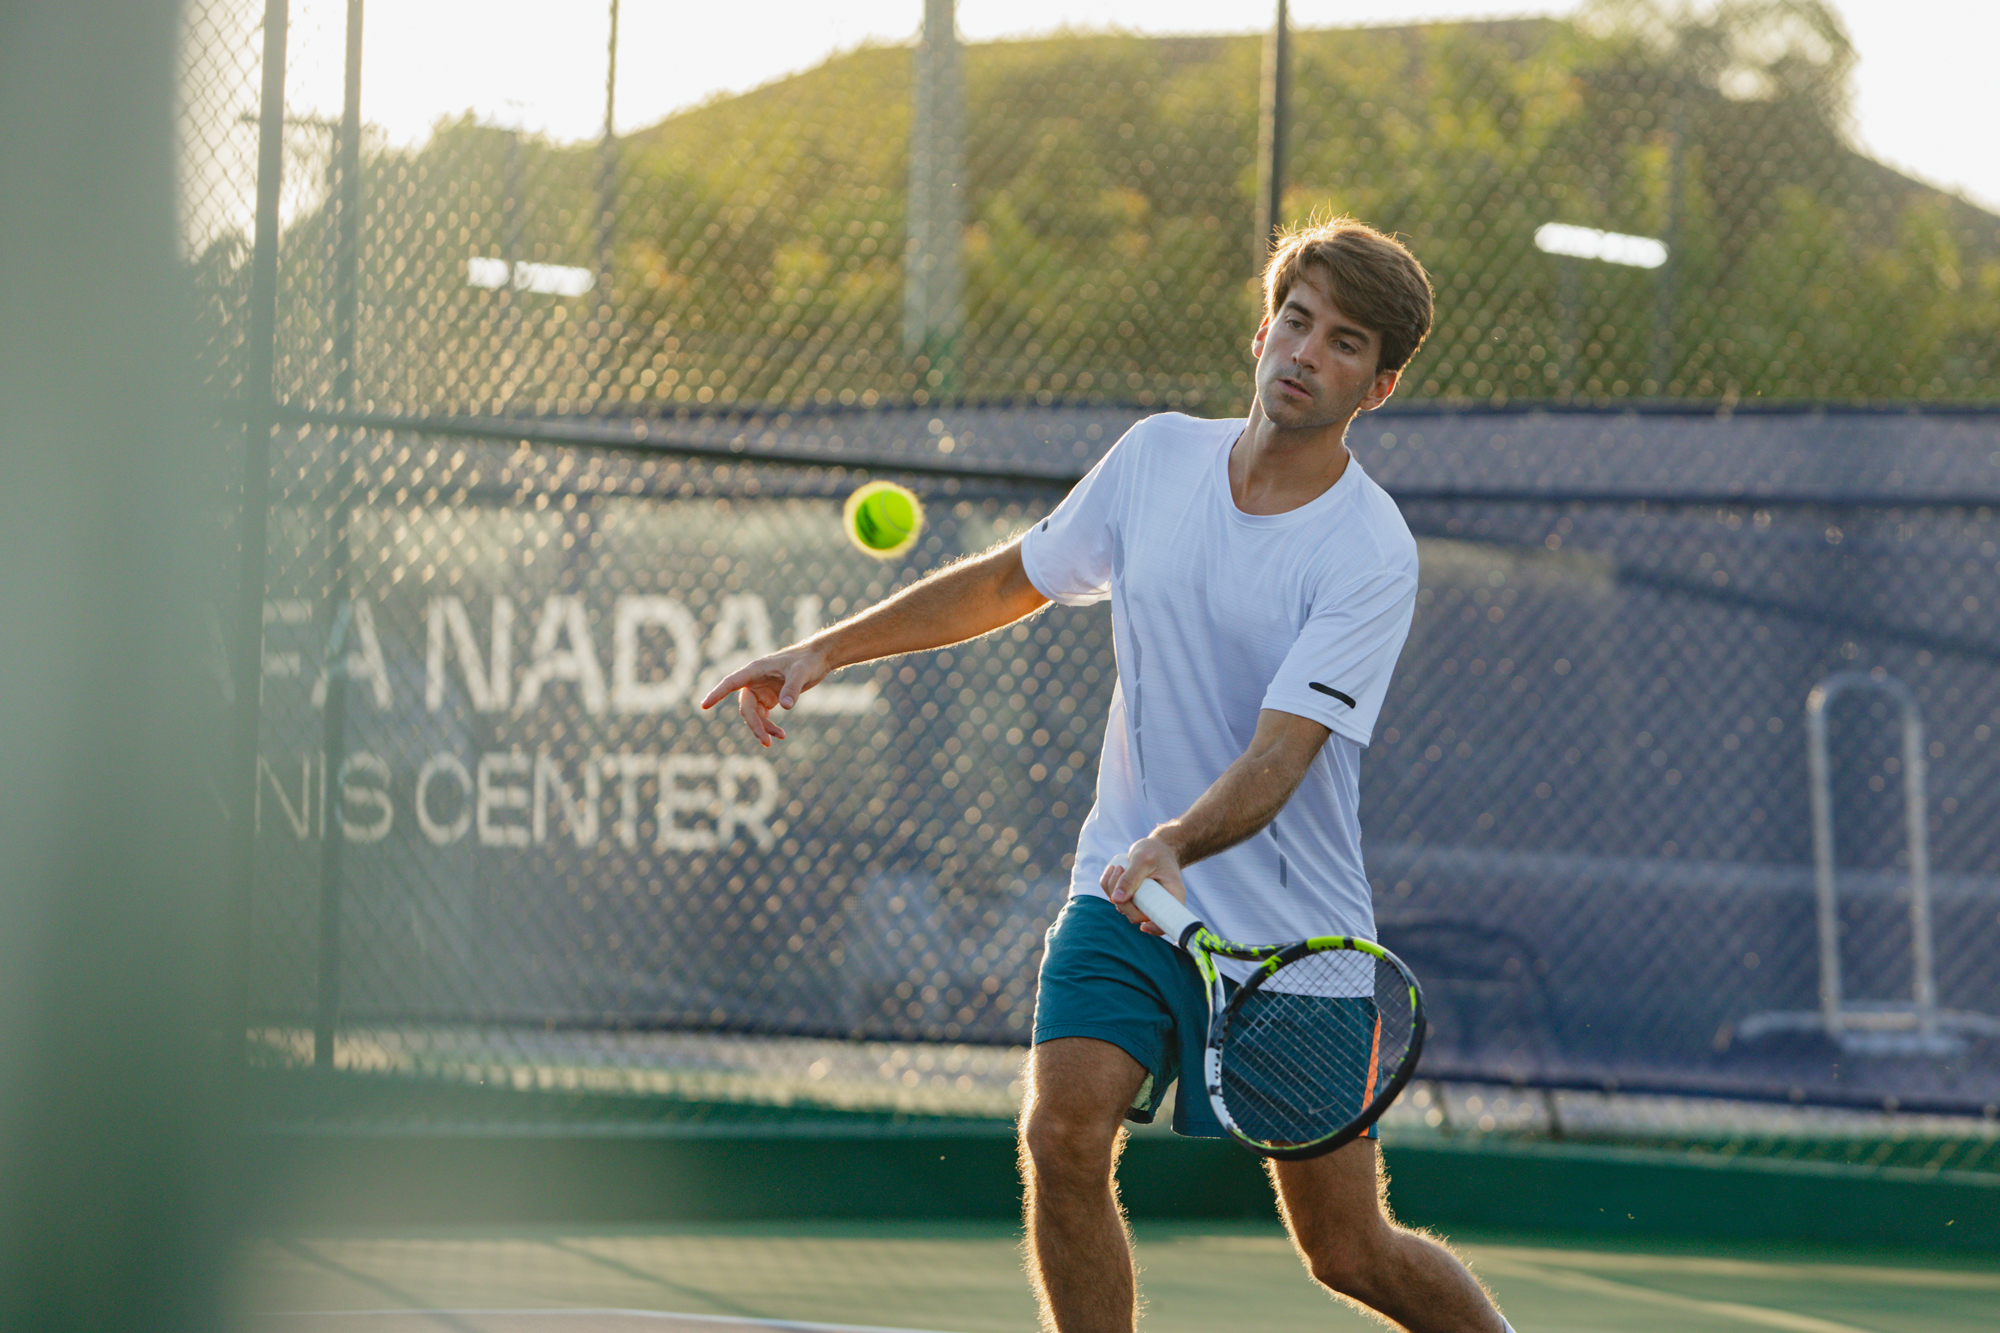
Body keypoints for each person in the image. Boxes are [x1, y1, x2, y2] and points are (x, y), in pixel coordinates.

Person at [702, 217, 1514, 1333]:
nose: (1303, 352)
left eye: (1340, 343)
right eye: (1294, 320)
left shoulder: (1367, 549)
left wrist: (1178, 840)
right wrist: (824, 650)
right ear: (1262, 329)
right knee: (1061, 1132)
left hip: (1288, 939)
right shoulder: (1153, 460)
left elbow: (1282, 751)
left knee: (1344, 1248)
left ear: (1374, 387)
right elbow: (1009, 581)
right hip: (1123, 896)